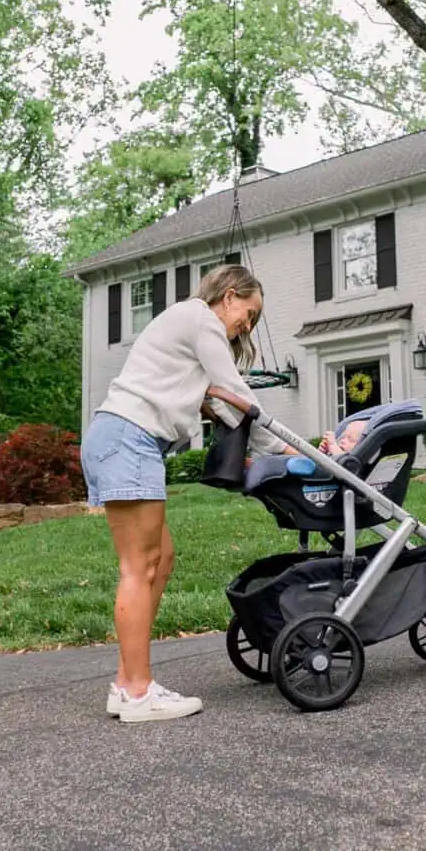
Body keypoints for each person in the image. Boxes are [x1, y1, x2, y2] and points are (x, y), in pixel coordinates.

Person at [80, 265, 291, 724]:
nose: (247, 326)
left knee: (161, 560)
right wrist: (290, 450)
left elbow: (219, 405)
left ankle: (125, 683)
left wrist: (252, 440)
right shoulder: (201, 320)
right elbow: (237, 396)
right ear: (230, 296)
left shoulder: (186, 330)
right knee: (140, 567)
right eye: (250, 314)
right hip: (128, 439)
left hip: (123, 439)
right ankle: (139, 694)